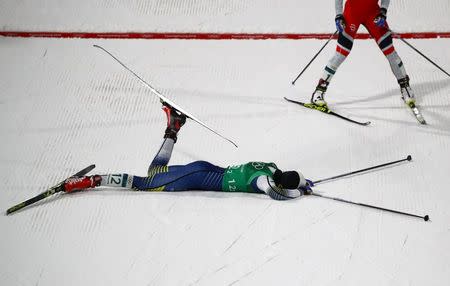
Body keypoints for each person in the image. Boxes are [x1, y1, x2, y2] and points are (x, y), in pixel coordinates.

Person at [60, 103, 312, 200]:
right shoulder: (264, 180)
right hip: (198, 178)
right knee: (144, 183)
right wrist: (299, 191)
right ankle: (91, 181)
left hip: (206, 169)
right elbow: (276, 195)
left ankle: (173, 126)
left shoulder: (270, 167)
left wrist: (303, 181)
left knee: (155, 171)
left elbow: (284, 178)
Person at [311, 0, 416, 108]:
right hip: (352, 13)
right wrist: (338, 15)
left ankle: (405, 86)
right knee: (340, 54)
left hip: (372, 13)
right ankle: (319, 91)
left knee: (390, 52)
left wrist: (383, 11)